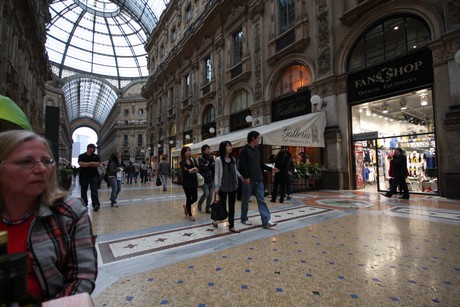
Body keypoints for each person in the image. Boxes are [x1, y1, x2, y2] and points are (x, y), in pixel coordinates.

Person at [0, 130, 97, 301]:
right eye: (26, 162)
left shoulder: (70, 213)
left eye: (47, 161)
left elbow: (83, 277)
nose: (41, 169)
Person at [239, 131, 279, 228]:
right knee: (245, 199)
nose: (259, 139)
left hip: (259, 179)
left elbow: (260, 164)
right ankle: (244, 218)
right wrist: (246, 177)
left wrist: (271, 169)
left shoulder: (257, 150)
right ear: (253, 138)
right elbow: (242, 165)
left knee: (261, 200)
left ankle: (266, 221)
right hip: (249, 180)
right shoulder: (244, 150)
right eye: (258, 138)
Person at [213, 141, 241, 233]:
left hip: (232, 185)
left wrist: (241, 177)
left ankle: (231, 226)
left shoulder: (233, 158)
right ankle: (215, 219)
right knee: (221, 205)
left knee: (232, 206)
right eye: (228, 146)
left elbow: (235, 170)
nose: (230, 147)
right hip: (223, 186)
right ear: (223, 148)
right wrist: (216, 187)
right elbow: (216, 174)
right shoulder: (218, 160)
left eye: (230, 146)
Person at [78, 143, 102, 211]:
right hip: (83, 176)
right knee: (83, 191)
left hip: (94, 176)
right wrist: (91, 163)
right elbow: (81, 164)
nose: (94, 150)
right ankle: (84, 204)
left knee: (94, 190)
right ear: (89, 148)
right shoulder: (81, 156)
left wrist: (87, 164)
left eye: (94, 148)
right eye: (93, 148)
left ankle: (96, 204)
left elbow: (98, 164)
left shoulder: (96, 156)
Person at [180, 146, 199, 222]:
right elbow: (185, 172)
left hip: (194, 181)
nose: (188, 152)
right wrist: (191, 170)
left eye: (189, 151)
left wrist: (190, 170)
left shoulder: (193, 160)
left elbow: (197, 169)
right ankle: (190, 215)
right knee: (188, 198)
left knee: (195, 198)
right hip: (186, 183)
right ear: (183, 153)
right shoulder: (182, 162)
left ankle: (186, 207)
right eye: (186, 151)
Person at [197, 144, 215, 213]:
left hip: (211, 179)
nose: (208, 151)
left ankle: (207, 208)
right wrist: (209, 165)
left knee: (210, 195)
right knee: (206, 193)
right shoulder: (200, 158)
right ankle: (200, 203)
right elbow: (202, 168)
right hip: (204, 180)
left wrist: (208, 165)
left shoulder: (211, 157)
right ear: (203, 151)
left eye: (208, 149)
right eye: (207, 149)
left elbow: (213, 166)